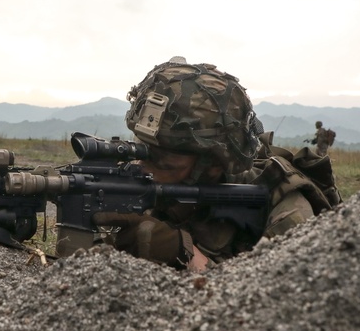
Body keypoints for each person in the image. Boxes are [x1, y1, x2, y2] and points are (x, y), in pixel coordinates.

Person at [91, 57, 340, 271]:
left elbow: (277, 307)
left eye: (162, 160)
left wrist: (183, 252)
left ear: (213, 163)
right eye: (140, 147)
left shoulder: (285, 208)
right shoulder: (145, 189)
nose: (142, 166)